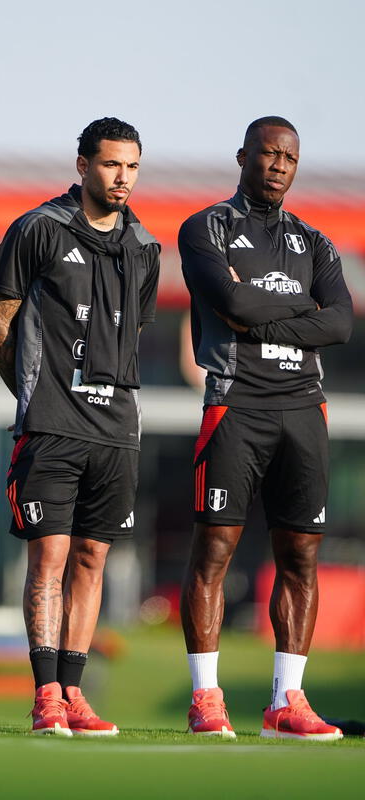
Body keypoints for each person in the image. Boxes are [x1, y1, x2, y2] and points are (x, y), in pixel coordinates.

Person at [0, 118, 160, 736]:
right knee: (48, 561)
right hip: (52, 428)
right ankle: (46, 693)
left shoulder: (145, 246)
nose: (122, 178)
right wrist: (32, 394)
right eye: (111, 165)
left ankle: (76, 692)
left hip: (117, 432)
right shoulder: (39, 229)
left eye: (132, 166)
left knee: (93, 559)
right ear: (82, 165)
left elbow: (129, 335)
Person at [179, 116, 353, 740]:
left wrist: (261, 318)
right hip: (235, 405)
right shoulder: (207, 228)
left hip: (304, 410)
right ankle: (206, 697)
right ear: (243, 156)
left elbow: (339, 325)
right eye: (268, 153)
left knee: (300, 557)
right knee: (216, 552)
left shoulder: (316, 244)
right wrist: (288, 310)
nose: (279, 165)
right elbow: (232, 305)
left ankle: (288, 700)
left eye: (289, 157)